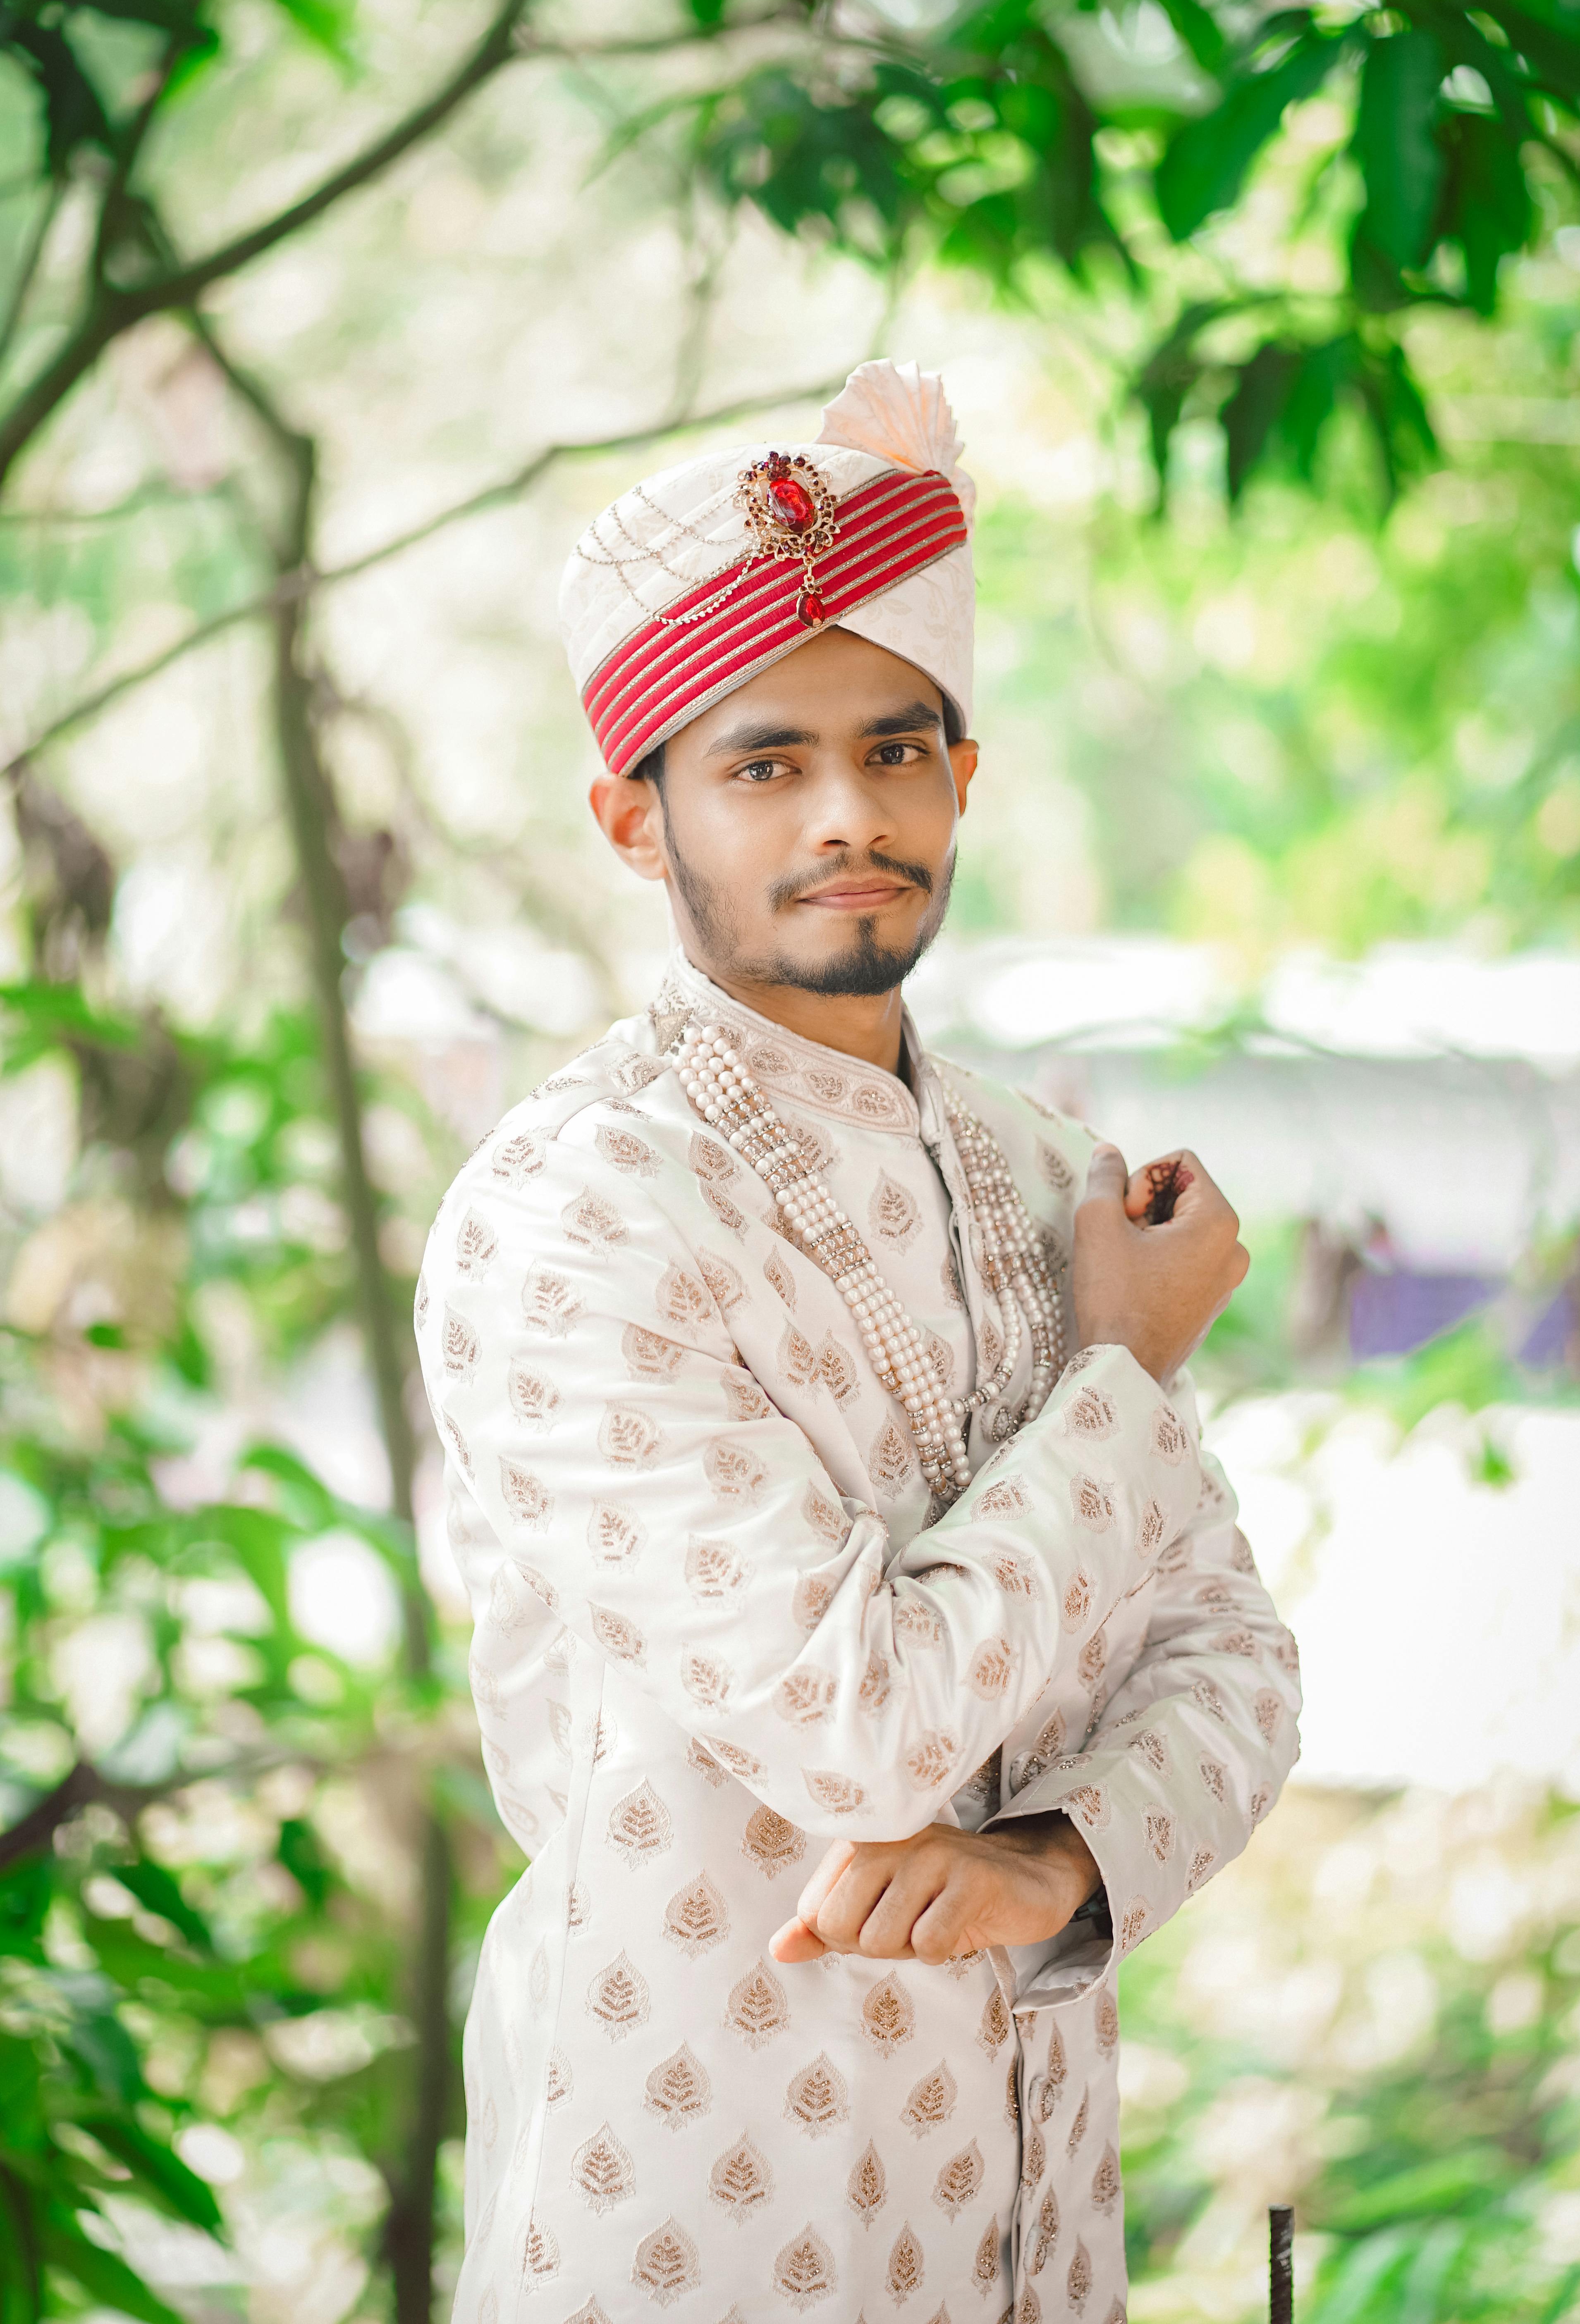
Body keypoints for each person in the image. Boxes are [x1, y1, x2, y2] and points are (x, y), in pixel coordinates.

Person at [414, 360, 1301, 2322]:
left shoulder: (1053, 1169)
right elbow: (861, 1724)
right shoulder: (575, 1210)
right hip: (699, 2209)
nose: (848, 818)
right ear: (634, 822)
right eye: (763, 764)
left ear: (963, 777)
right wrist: (1119, 1371)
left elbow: (1230, 1656)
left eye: (898, 753)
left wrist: (1060, 1858)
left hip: (1035, 2222)